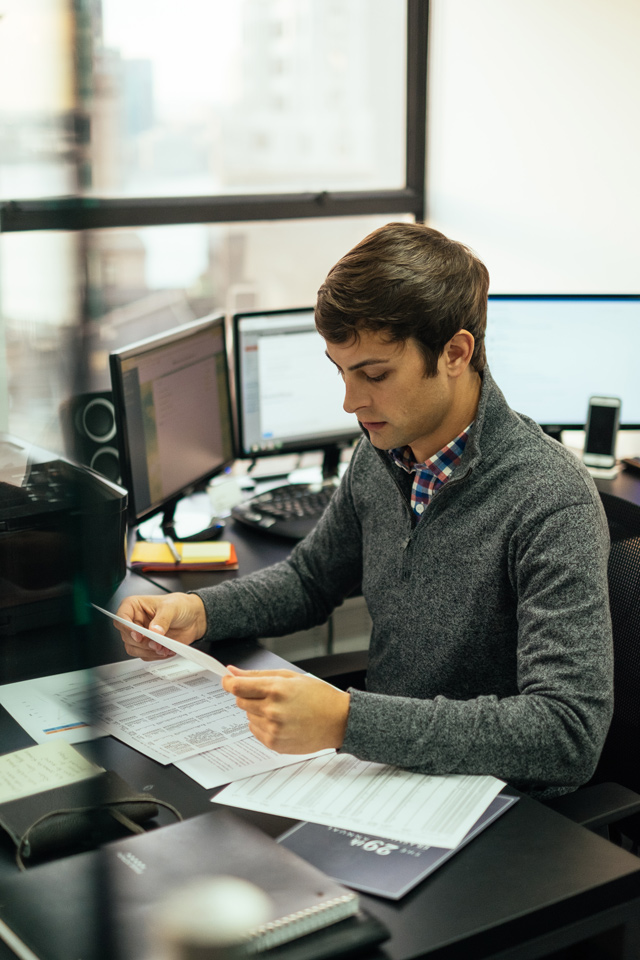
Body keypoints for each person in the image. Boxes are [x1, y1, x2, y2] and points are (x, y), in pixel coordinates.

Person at [115, 223, 613, 799]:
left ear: (455, 353)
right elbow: (309, 581)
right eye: (342, 372)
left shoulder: (550, 497)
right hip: (383, 778)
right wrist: (198, 612)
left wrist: (346, 721)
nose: (351, 402)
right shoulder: (380, 455)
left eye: (374, 375)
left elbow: (566, 734)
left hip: (492, 804)